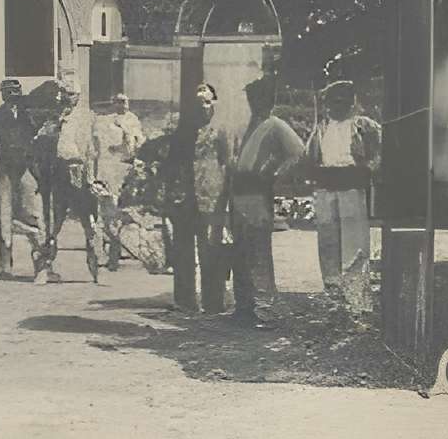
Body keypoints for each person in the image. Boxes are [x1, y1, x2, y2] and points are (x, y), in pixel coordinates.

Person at [229, 75, 306, 328]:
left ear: (268, 99)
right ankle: (244, 307)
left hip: (257, 193)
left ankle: (265, 311)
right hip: (238, 192)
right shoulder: (250, 123)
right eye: (251, 98)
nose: (254, 102)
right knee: (239, 252)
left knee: (258, 252)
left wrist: (273, 173)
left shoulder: (275, 125)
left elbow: (298, 152)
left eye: (259, 97)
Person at [306, 77, 381, 316]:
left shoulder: (363, 126)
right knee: (328, 245)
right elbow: (309, 156)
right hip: (326, 189)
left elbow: (380, 153)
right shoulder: (321, 128)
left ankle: (357, 303)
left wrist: (368, 169)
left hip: (351, 188)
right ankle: (334, 300)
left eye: (341, 103)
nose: (335, 107)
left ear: (351, 103)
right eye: (331, 103)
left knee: (354, 245)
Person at [158, 82, 230, 315]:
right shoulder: (182, 132)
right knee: (183, 251)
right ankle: (185, 300)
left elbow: (228, 164)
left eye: (207, 102)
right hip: (184, 199)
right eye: (198, 104)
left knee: (211, 250)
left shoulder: (221, 131)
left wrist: (226, 198)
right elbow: (171, 164)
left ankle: (213, 302)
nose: (203, 108)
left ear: (215, 104)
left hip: (213, 197)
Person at [42, 79, 100, 283]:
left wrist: (90, 176)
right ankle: (46, 266)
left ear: (78, 96)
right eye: (65, 93)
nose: (68, 97)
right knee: (54, 219)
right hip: (58, 170)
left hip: (78, 169)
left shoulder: (85, 117)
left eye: (72, 94)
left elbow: (90, 149)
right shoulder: (55, 116)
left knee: (87, 218)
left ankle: (94, 266)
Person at [0, 76, 41, 275]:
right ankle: (5, 265)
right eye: (7, 91)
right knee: (4, 216)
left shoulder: (30, 116)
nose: (11, 95)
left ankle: (41, 263)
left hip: (26, 169)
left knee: (32, 215)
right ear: (2, 94)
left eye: (15, 90)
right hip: (4, 171)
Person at [92, 91, 145, 270]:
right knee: (105, 214)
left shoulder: (132, 120)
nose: (121, 105)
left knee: (123, 213)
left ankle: (125, 249)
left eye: (124, 102)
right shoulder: (104, 122)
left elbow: (135, 145)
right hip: (107, 172)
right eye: (118, 102)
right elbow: (98, 147)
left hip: (124, 173)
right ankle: (110, 252)